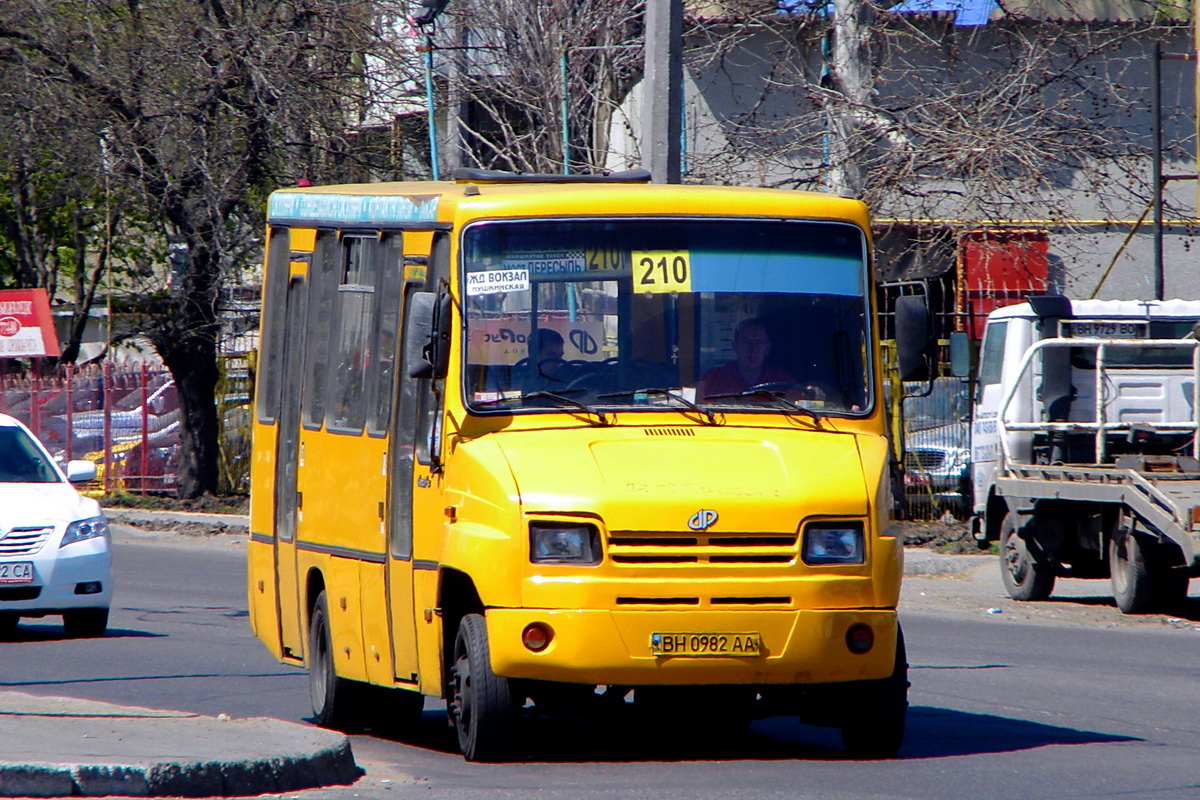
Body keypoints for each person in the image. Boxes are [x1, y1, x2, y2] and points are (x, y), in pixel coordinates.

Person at [698, 318, 794, 398]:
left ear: (767, 348)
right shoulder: (712, 379)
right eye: (746, 342)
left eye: (759, 342)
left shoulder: (783, 380)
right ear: (735, 346)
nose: (752, 348)